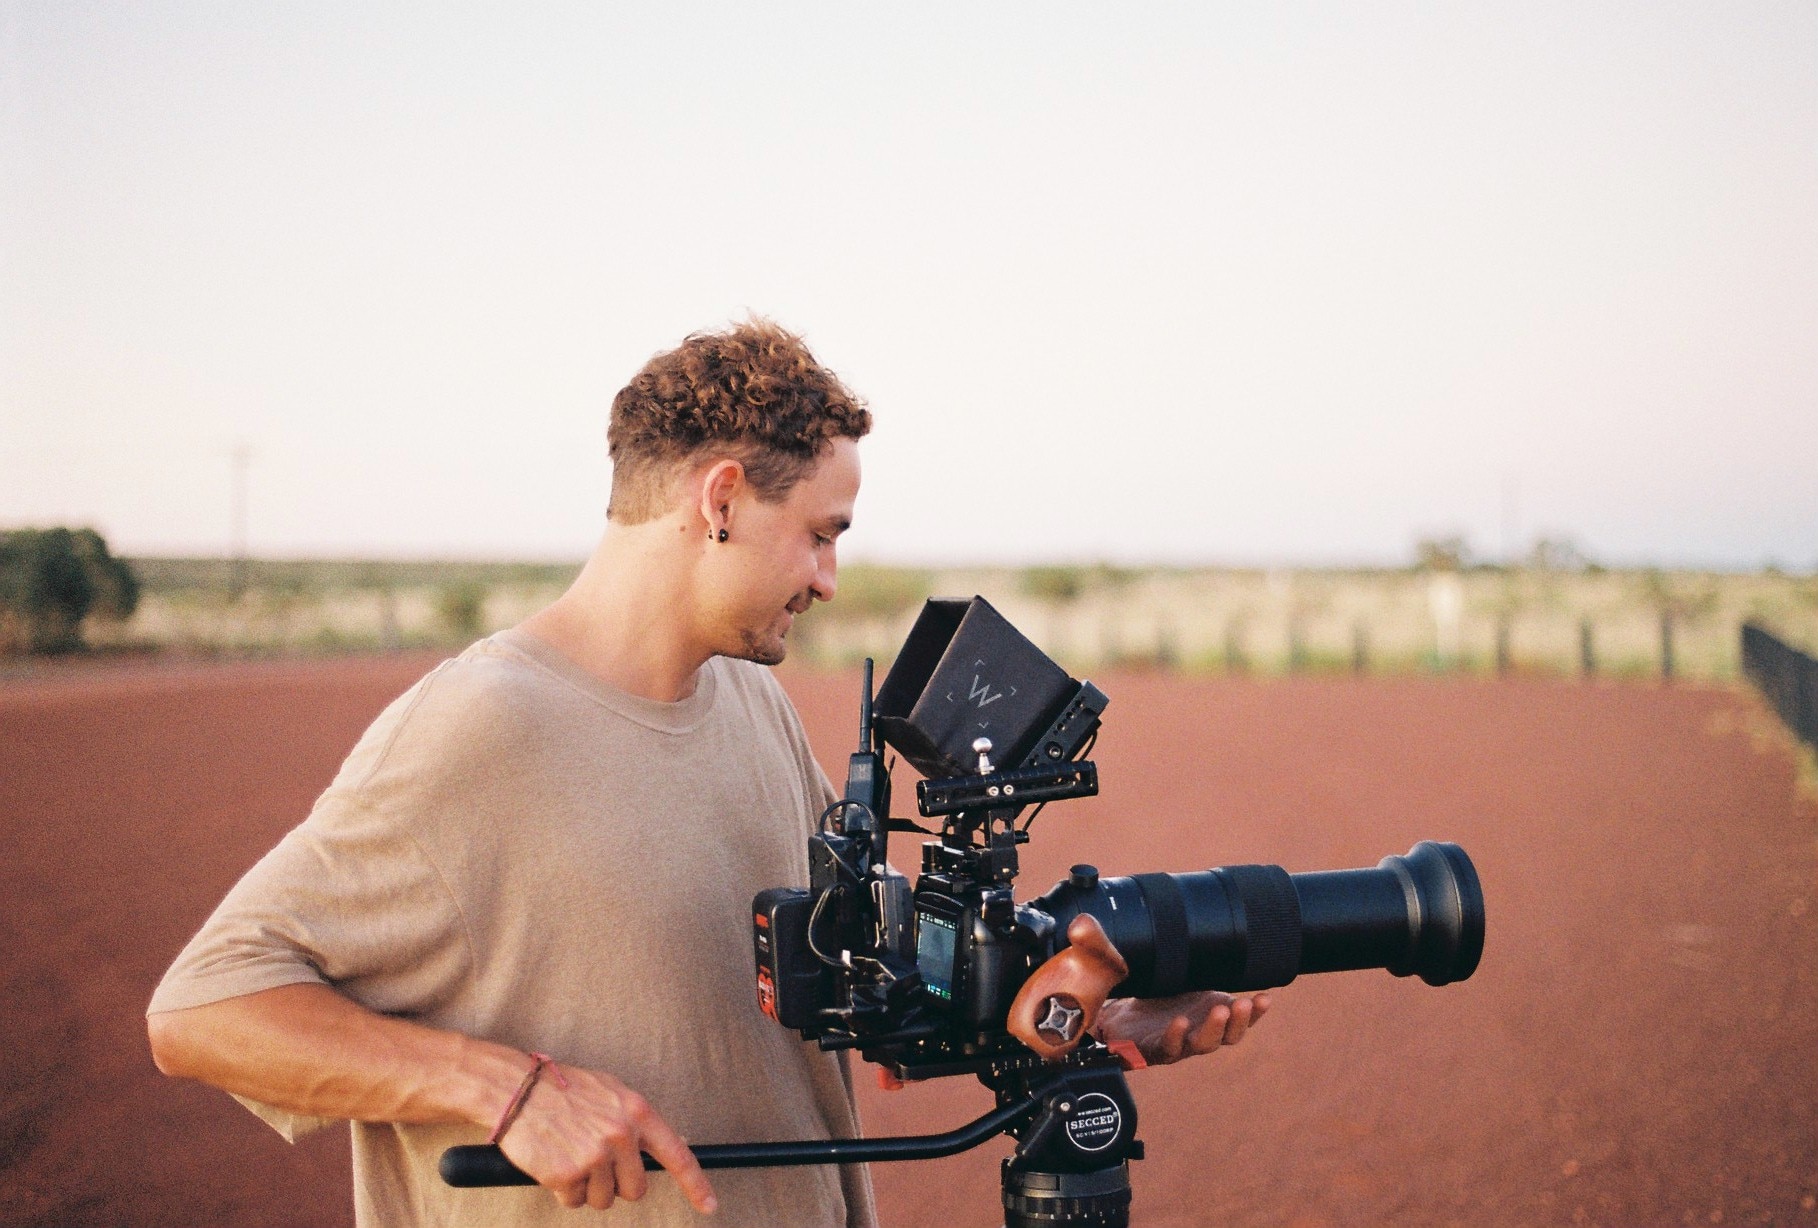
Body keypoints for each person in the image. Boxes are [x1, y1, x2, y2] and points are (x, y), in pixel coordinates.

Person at [146, 318, 1269, 1227]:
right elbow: (204, 1008)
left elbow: (858, 989)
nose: (830, 578)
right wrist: (507, 1091)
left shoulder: (752, 703)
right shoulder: (480, 727)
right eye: (821, 533)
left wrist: (1073, 1014)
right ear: (720, 498)